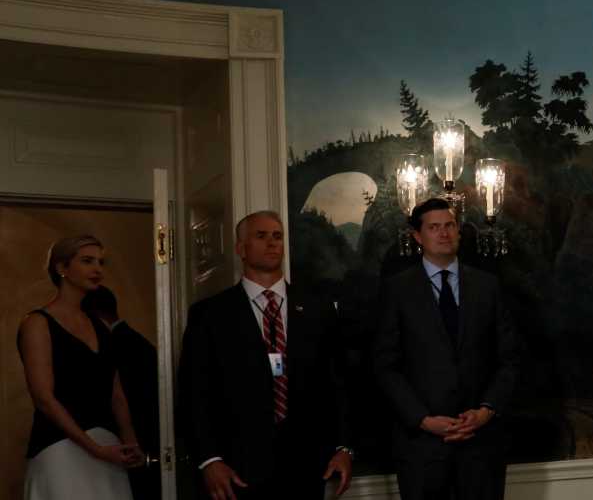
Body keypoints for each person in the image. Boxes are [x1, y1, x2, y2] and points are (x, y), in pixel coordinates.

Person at [180, 211, 353, 500]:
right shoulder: (210, 314)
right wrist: (209, 459)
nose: (272, 243)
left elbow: (339, 383)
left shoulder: (317, 308)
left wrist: (344, 447)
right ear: (240, 248)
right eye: (261, 236)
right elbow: (194, 392)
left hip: (308, 464)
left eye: (277, 236)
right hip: (238, 468)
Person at [374, 197, 523, 500]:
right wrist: (423, 419)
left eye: (449, 225)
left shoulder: (488, 286)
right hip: (421, 448)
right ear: (418, 236)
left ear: (458, 231)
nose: (443, 233)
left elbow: (510, 359)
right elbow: (384, 366)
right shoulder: (396, 289)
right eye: (434, 227)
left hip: (481, 445)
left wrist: (486, 411)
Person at [18, 235, 143, 499]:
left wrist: (130, 442)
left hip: (109, 449)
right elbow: (44, 399)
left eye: (100, 262)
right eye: (87, 261)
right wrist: (95, 449)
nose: (97, 269)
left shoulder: (101, 326)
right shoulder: (37, 323)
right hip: (59, 448)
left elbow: (116, 393)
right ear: (62, 268)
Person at [81, 286, 160, 500]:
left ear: (93, 316)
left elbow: (125, 400)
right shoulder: (138, 343)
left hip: (133, 450)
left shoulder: (114, 346)